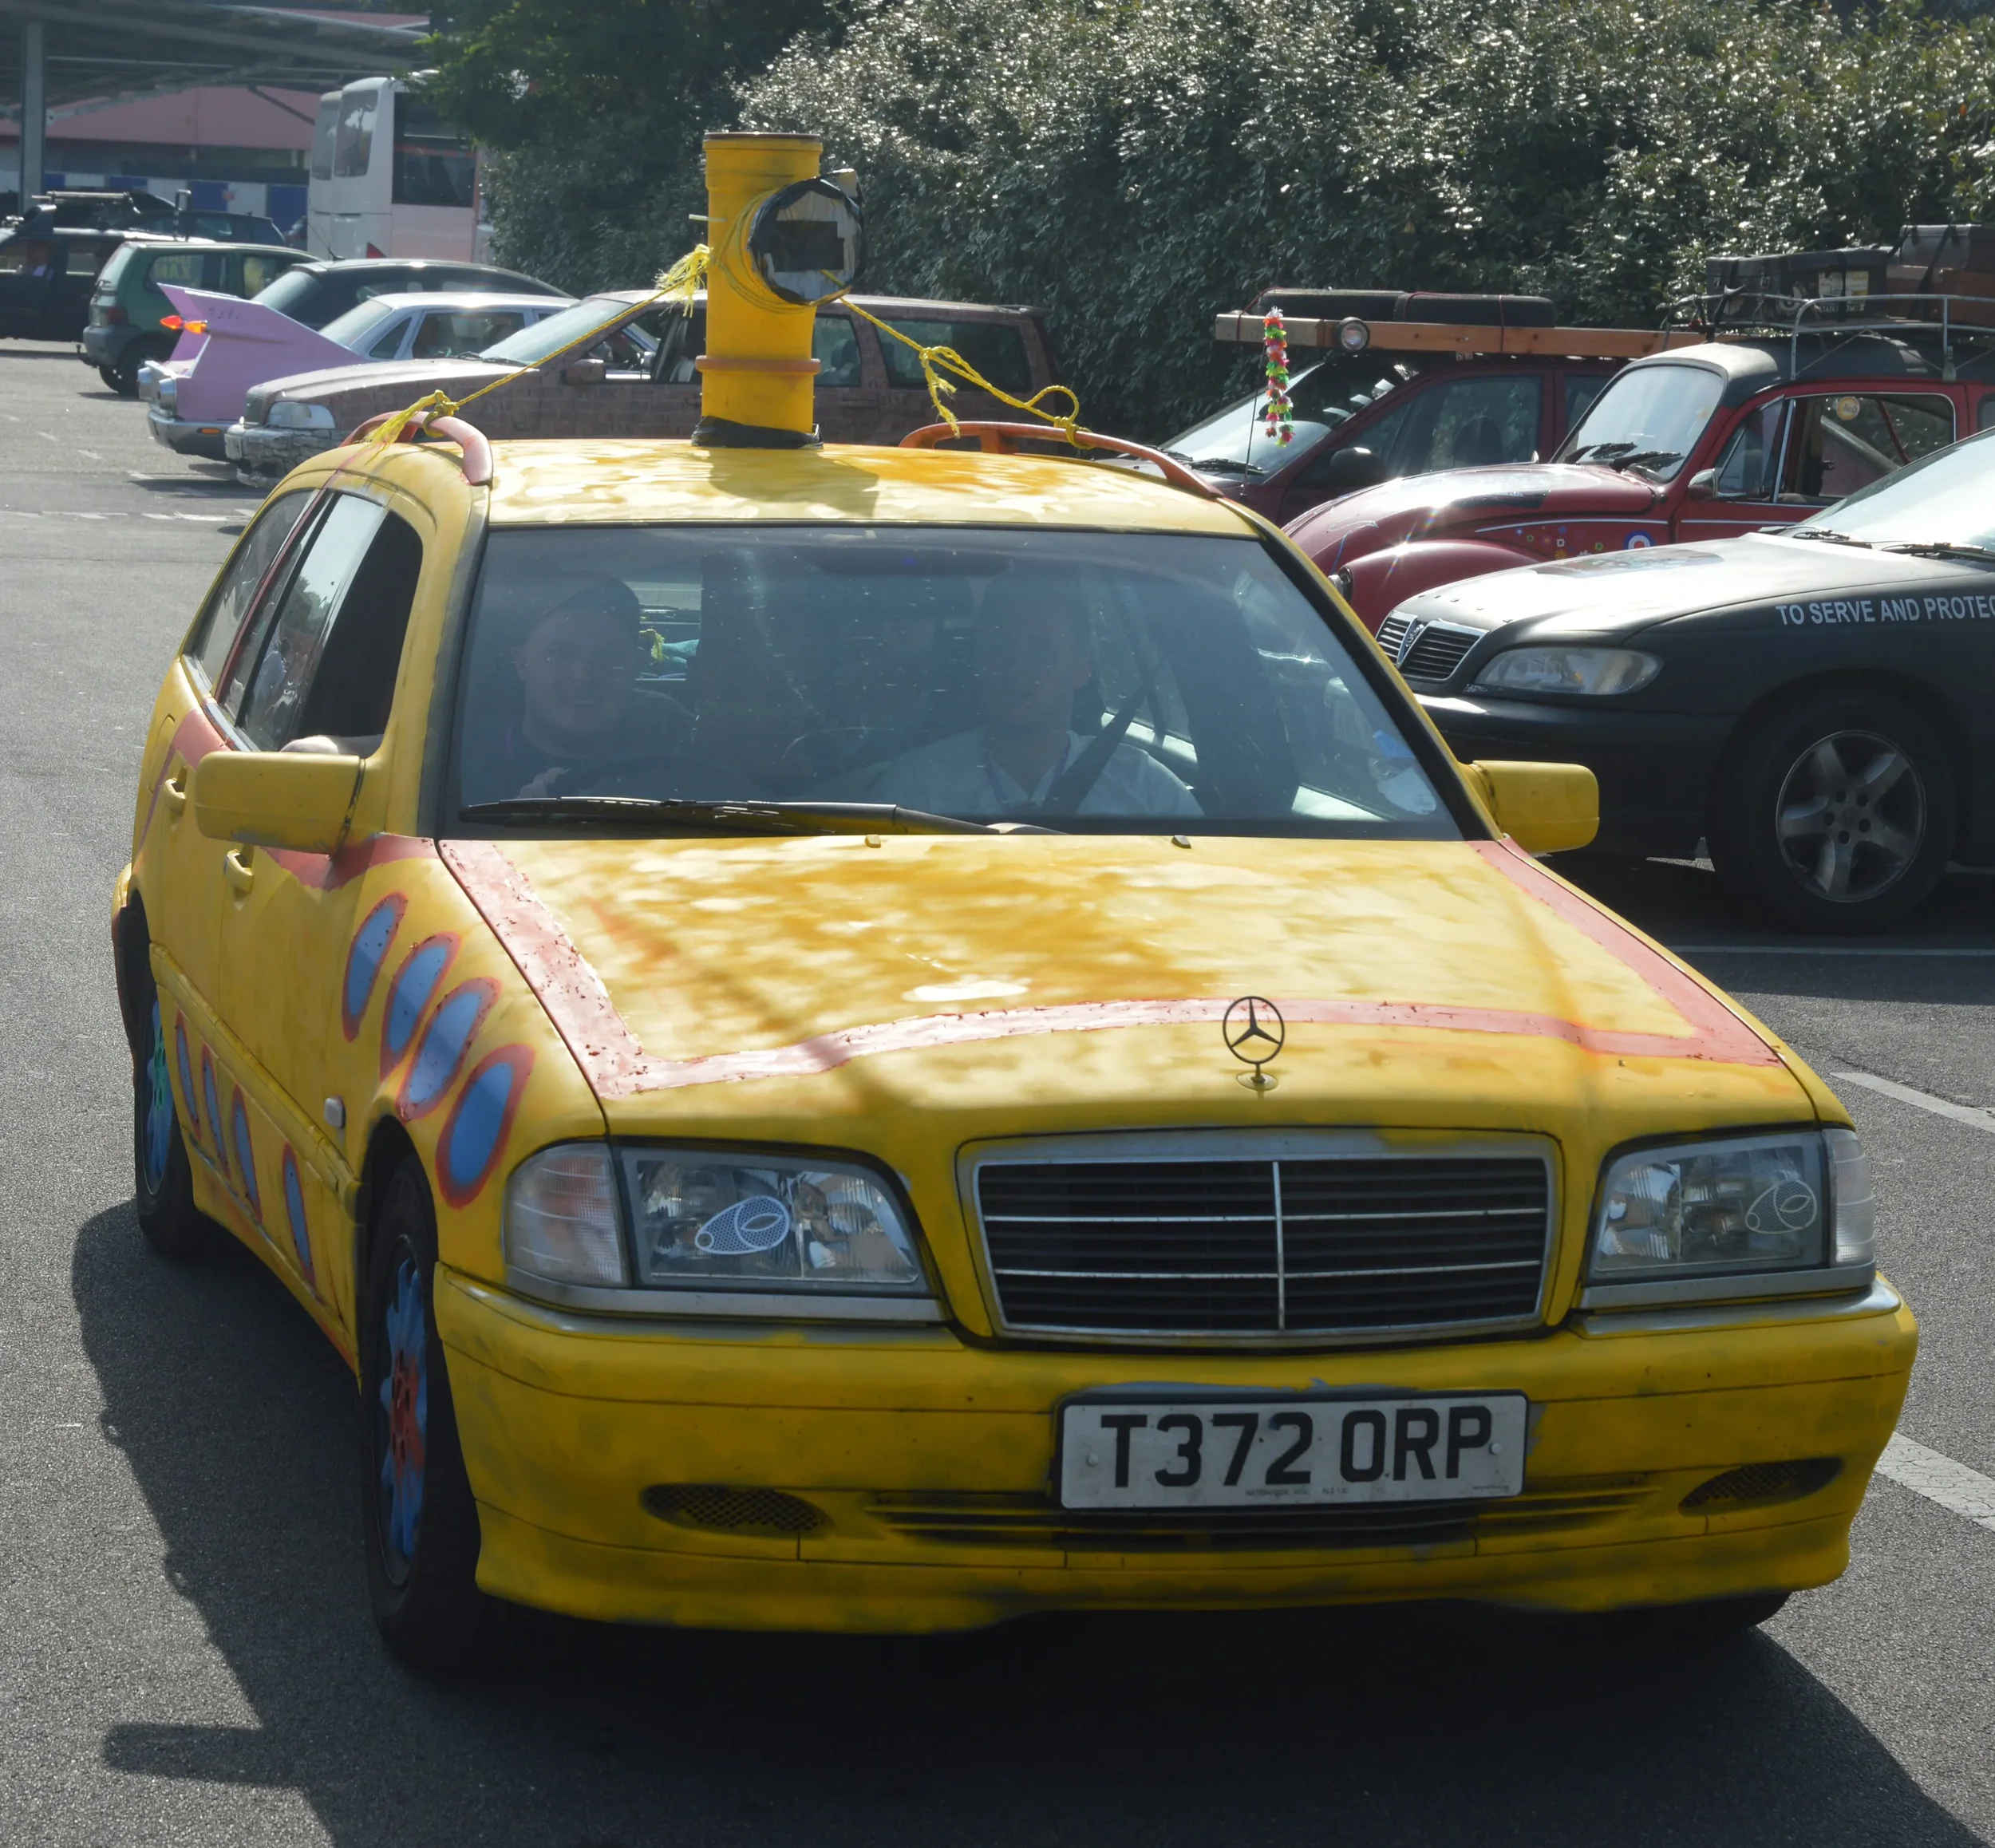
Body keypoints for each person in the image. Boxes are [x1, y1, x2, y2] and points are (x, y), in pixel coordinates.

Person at [865, 573, 1199, 819]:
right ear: (978, 661)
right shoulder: (913, 789)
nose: (1018, 666)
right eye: (1001, 648)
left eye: (1043, 652)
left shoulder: (1146, 788)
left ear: (1083, 668)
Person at [460, 575, 650, 800]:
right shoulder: (453, 769)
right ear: (521, 663)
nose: (583, 675)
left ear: (636, 667)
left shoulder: (670, 768)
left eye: (608, 657)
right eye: (560, 654)